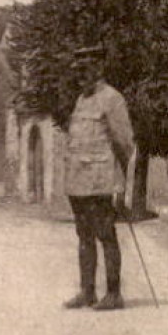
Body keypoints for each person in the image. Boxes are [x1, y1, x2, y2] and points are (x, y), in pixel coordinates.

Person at [60, 44, 134, 312]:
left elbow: (125, 143)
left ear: (98, 68)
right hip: (78, 182)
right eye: (77, 70)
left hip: (101, 181)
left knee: (106, 234)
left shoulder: (112, 99)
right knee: (83, 236)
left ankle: (114, 294)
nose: (80, 75)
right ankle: (87, 291)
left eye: (85, 69)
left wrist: (122, 183)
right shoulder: (82, 99)